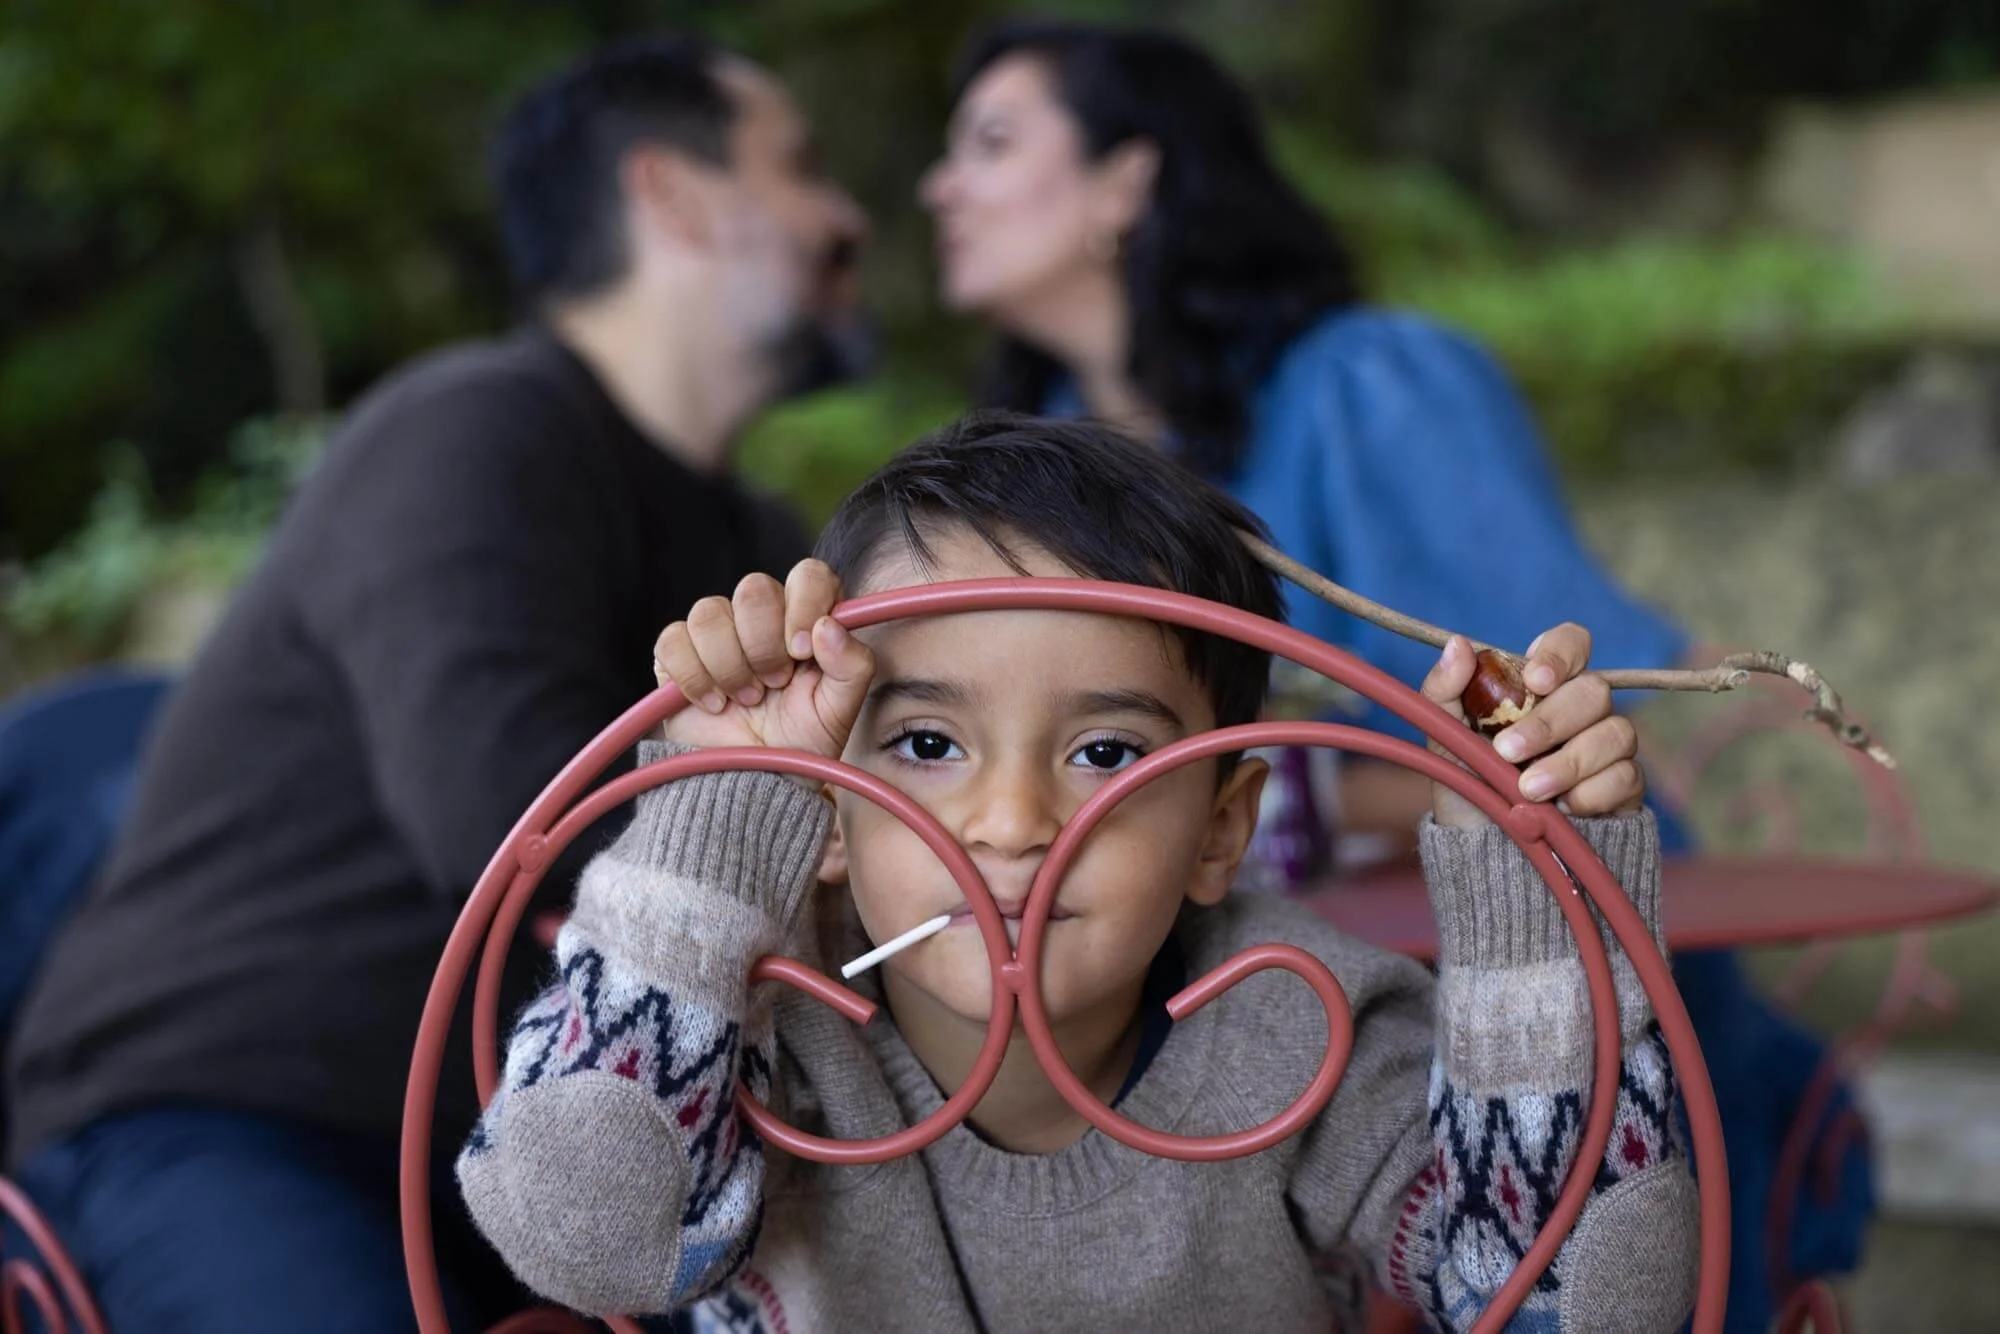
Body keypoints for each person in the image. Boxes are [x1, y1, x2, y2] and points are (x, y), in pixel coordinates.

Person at [919, 20, 1871, 1326]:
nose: (939, 184)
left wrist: (1268, 801)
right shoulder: (1031, 488)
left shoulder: (1371, 385)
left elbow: (1535, 721)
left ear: (1127, 179)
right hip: (1252, 1036)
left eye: (992, 141)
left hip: (1527, 982)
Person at [457, 413, 1700, 1332]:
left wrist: (1536, 895)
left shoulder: (1296, 1023)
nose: (1009, 820)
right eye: (926, 744)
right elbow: (584, 1232)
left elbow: (1572, 1298)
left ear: (1221, 827)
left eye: (1105, 750)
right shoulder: (759, 1036)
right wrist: (721, 806)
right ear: (826, 799)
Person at [4, 35, 866, 1333]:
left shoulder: (752, 538)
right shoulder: (472, 430)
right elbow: (505, 812)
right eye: (799, 166)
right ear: (675, 197)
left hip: (543, 1158)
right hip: (234, 1111)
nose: (850, 212)